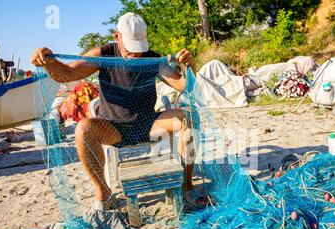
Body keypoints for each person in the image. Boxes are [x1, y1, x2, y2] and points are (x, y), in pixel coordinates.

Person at [31, 12, 207, 211]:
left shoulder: (152, 59)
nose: (137, 54)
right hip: (113, 128)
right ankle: (104, 193)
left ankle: (187, 186)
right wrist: (49, 62)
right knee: (82, 129)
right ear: (117, 37)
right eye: (131, 47)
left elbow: (185, 86)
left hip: (150, 124)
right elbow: (67, 74)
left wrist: (190, 67)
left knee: (189, 118)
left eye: (140, 47)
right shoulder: (103, 54)